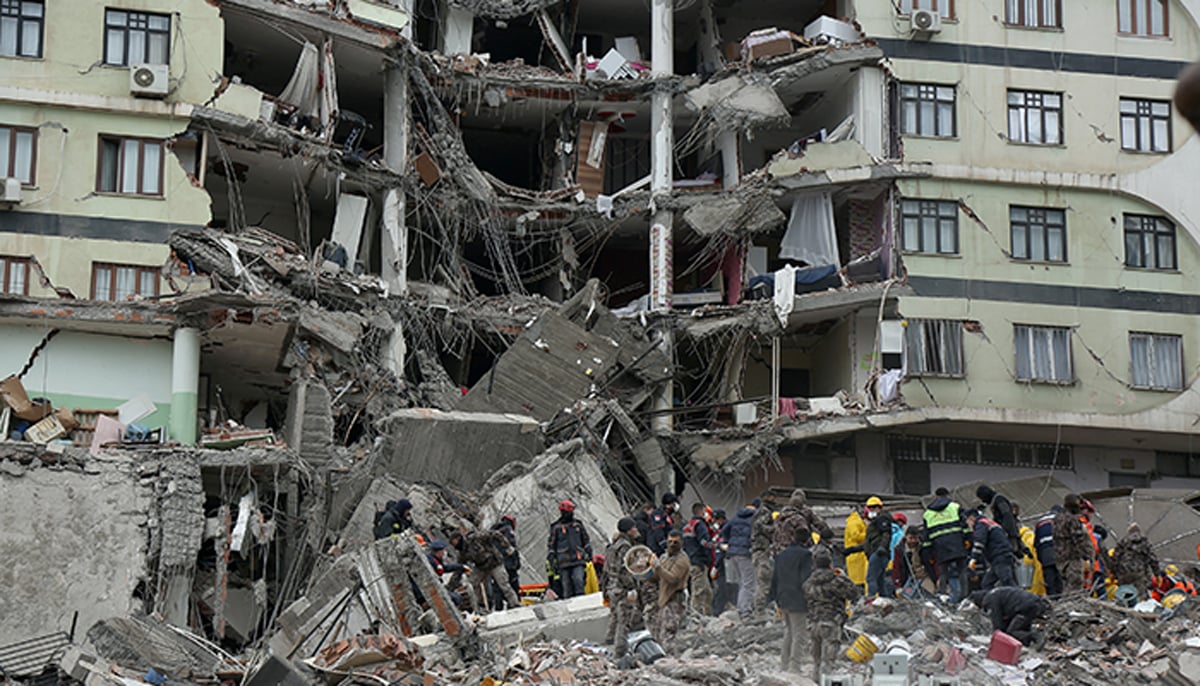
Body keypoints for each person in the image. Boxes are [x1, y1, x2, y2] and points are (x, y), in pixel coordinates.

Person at [803, 547, 863, 683]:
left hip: (812, 623)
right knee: (828, 664)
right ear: (830, 564)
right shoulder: (836, 580)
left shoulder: (808, 583)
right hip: (830, 622)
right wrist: (843, 576)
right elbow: (854, 593)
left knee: (816, 663)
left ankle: (815, 682)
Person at [769, 525, 814, 674]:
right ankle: (795, 667)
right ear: (807, 540)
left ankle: (784, 664)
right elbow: (805, 579)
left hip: (783, 597)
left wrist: (775, 597)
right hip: (798, 599)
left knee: (789, 632)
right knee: (799, 634)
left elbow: (775, 577)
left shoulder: (781, 555)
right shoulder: (806, 555)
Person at [452, 528, 521, 613]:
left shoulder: (475, 538)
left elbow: (495, 534)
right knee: (471, 584)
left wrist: (507, 546)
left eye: (453, 542)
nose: (453, 545)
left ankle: (515, 604)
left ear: (458, 538)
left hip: (495, 563)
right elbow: (459, 569)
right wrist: (451, 586)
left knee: (504, 585)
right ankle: (478, 608)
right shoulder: (462, 553)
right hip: (481, 567)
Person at [923, 487, 968, 603]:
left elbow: (926, 537)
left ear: (935, 496)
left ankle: (942, 595)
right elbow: (965, 526)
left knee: (943, 573)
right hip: (957, 544)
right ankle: (964, 597)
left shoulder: (928, 513)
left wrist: (929, 554)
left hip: (940, 547)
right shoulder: (955, 507)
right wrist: (968, 540)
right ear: (948, 495)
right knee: (962, 570)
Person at [603, 517, 640, 658]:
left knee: (614, 616)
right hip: (622, 587)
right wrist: (631, 587)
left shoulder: (613, 545)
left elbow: (607, 570)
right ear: (628, 531)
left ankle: (608, 642)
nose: (636, 530)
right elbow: (624, 569)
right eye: (634, 528)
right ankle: (619, 652)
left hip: (612, 586)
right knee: (623, 619)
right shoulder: (625, 546)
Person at [970, 587, 1051, 646]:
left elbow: (997, 622)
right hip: (1033, 603)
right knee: (1021, 626)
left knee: (1011, 632)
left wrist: (997, 639)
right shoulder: (995, 592)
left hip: (1025, 607)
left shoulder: (989, 600)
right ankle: (1025, 645)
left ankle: (1036, 636)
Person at [547, 499, 593, 599]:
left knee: (579, 581)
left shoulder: (578, 525)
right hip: (563, 561)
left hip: (578, 559)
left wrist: (588, 551)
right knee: (566, 586)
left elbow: (585, 539)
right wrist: (551, 557)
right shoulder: (556, 527)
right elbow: (551, 544)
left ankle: (581, 602)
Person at [720, 502, 757, 620]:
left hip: (733, 552)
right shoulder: (755, 518)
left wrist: (731, 541)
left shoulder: (736, 516)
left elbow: (724, 530)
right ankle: (745, 611)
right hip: (745, 552)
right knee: (748, 582)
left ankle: (741, 607)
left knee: (742, 581)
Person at [654, 530, 691, 646]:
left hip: (675, 598)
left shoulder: (682, 560)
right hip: (664, 597)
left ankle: (669, 657)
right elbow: (657, 577)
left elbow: (673, 579)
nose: (672, 545)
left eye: (676, 542)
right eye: (670, 541)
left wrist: (658, 568)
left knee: (669, 630)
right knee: (660, 629)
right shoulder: (664, 557)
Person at [966, 508, 1017, 589]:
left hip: (999, 556)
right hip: (1001, 555)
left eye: (967, 522)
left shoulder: (981, 524)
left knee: (1007, 582)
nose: (968, 524)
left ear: (971, 519)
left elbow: (979, 542)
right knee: (987, 583)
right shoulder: (989, 522)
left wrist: (973, 558)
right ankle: (992, 600)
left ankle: (1019, 600)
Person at [1053, 494, 1094, 594]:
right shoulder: (1072, 519)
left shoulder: (1057, 518)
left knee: (1066, 585)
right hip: (1072, 558)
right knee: (1075, 587)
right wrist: (1087, 555)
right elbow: (1078, 539)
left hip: (1060, 557)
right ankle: (1071, 607)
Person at [773, 488, 834, 552]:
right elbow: (819, 524)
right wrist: (826, 533)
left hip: (780, 547)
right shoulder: (804, 513)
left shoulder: (781, 514)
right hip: (799, 546)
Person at [682, 502, 715, 615]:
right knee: (699, 590)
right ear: (701, 511)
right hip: (699, 561)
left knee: (707, 591)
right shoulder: (700, 525)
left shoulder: (687, 526)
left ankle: (707, 614)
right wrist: (717, 545)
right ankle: (696, 615)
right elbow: (704, 542)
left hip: (691, 560)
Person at [1112, 523, 1158, 599]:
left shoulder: (1123, 542)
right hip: (1139, 573)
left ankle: (1124, 608)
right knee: (1140, 596)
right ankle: (1138, 608)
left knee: (1124, 594)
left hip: (1124, 573)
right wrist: (1157, 573)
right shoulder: (1145, 542)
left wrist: (1114, 572)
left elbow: (1115, 557)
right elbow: (1153, 559)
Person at [976, 484, 1026, 556]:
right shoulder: (995, 501)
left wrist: (1004, 531)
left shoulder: (999, 500)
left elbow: (1007, 515)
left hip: (1009, 534)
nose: (983, 501)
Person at [862, 496, 895, 598]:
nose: (871, 510)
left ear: (879, 508)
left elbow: (886, 534)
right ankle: (884, 599)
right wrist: (849, 550)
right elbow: (869, 541)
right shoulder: (876, 522)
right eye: (870, 508)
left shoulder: (881, 519)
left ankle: (871, 599)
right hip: (877, 552)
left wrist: (882, 547)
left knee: (871, 578)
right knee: (880, 580)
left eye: (874, 508)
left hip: (878, 553)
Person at [894, 525, 937, 599]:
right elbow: (896, 567)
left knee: (930, 596)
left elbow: (934, 562)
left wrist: (938, 578)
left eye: (915, 538)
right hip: (908, 579)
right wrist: (898, 585)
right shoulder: (900, 550)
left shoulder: (924, 547)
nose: (913, 541)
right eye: (911, 538)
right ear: (906, 536)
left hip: (924, 576)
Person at [750, 496, 775, 616]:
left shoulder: (758, 512)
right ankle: (759, 611)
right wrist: (775, 529)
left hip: (758, 551)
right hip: (761, 551)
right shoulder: (764, 512)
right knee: (763, 581)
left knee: (761, 581)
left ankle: (759, 609)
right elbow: (760, 526)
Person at [491, 514, 521, 606]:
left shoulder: (493, 531)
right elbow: (511, 547)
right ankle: (515, 605)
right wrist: (516, 562)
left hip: (496, 564)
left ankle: (498, 607)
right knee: (512, 585)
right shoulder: (508, 529)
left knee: (498, 587)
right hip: (508, 563)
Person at [1034, 506, 1063, 597]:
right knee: (1059, 580)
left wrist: (1041, 558)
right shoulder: (1061, 519)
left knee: (1049, 581)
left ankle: (1052, 600)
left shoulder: (1040, 522)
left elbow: (1036, 543)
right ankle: (1060, 600)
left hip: (1045, 554)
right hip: (1059, 552)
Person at [710, 509, 734, 615]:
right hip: (722, 563)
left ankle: (716, 611)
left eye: (715, 520)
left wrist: (716, 565)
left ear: (720, 519)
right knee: (725, 587)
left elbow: (724, 548)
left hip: (725, 563)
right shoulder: (721, 530)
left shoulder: (726, 529)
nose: (714, 523)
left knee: (723, 588)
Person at [843, 505, 868, 590]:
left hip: (859, 557)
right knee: (856, 584)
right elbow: (856, 536)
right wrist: (869, 535)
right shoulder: (854, 522)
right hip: (856, 557)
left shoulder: (858, 521)